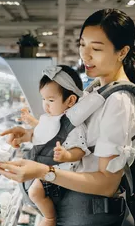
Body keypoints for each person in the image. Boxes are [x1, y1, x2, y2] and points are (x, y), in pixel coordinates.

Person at [0, 9, 135, 226]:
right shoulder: (97, 90)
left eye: (96, 48)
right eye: (82, 45)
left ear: (122, 51)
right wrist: (31, 133)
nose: (85, 55)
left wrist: (45, 171)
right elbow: (82, 136)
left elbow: (107, 184)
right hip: (74, 207)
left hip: (89, 213)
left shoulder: (119, 101)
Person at [26, 65, 90, 226]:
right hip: (48, 168)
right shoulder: (53, 116)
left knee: (34, 192)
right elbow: (46, 130)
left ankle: (49, 218)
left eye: (51, 100)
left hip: (60, 174)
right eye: (43, 99)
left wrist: (67, 155)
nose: (45, 105)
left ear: (70, 101)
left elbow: (80, 149)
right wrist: (32, 123)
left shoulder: (73, 124)